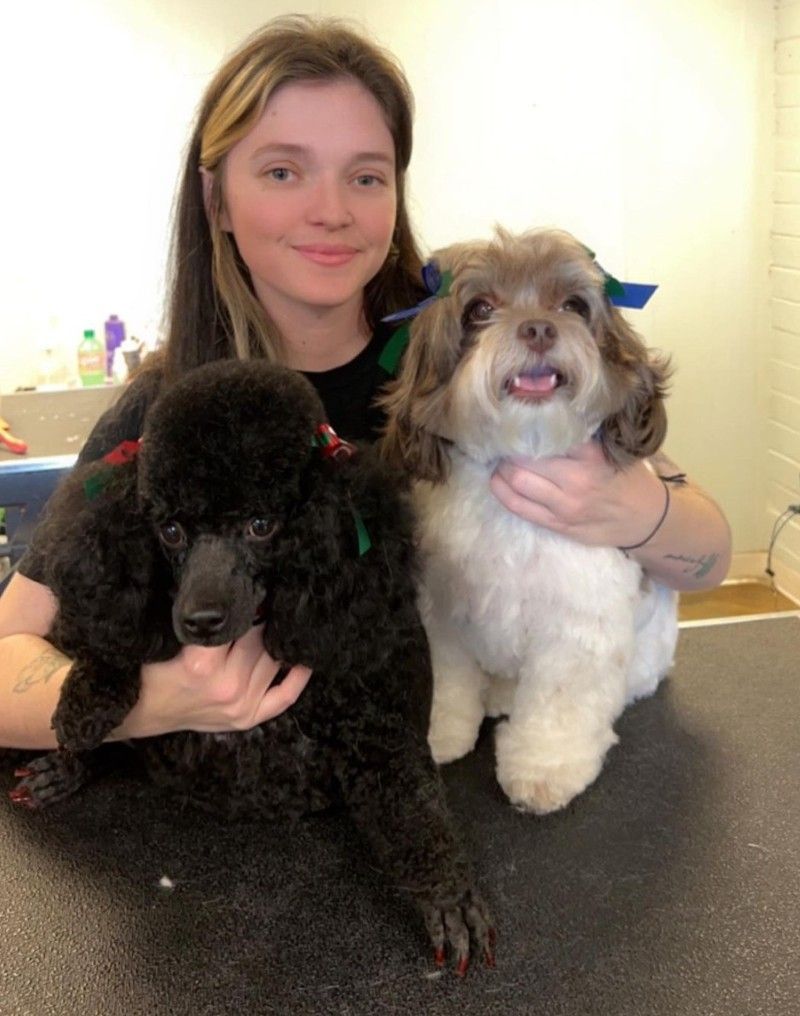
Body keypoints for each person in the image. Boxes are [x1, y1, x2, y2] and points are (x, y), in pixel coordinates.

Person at [0, 15, 731, 751]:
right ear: (216, 198)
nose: (333, 211)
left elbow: (711, 553)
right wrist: (151, 703)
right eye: (283, 171)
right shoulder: (171, 408)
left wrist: (642, 514)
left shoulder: (462, 354)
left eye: (366, 176)